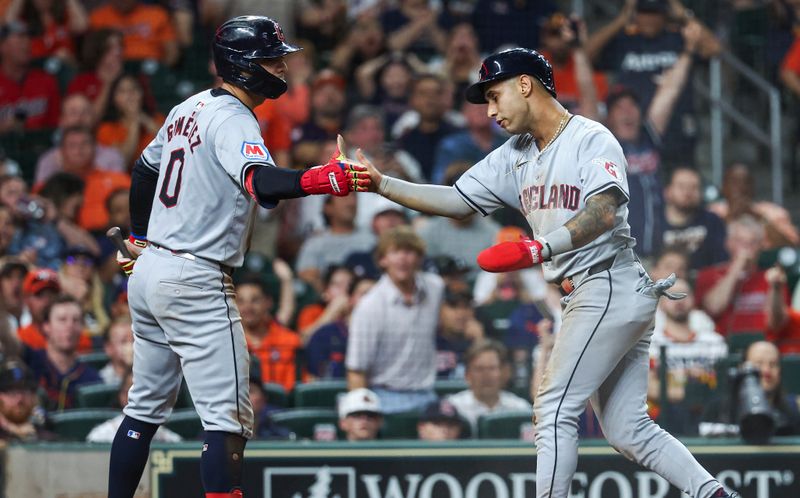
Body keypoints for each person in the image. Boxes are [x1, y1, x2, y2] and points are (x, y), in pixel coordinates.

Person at [354, 47, 739, 497]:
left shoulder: (589, 137)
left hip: (607, 280)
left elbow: (605, 209)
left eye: (495, 95)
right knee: (628, 429)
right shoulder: (514, 153)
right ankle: (715, 493)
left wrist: (542, 246)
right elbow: (457, 200)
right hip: (594, 292)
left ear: (524, 84)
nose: (490, 110)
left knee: (554, 407)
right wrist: (382, 184)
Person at [107, 16, 366, 498]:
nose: (281, 67)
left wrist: (143, 240)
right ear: (244, 66)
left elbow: (145, 172)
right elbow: (261, 183)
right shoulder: (233, 118)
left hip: (151, 274)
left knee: (142, 412)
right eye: (271, 58)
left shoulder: (188, 107)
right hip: (195, 274)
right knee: (226, 420)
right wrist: (321, 178)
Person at [346, 226, 442, 414]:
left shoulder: (435, 288)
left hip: (427, 393)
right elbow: (356, 370)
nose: (403, 258)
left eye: (409, 251)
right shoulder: (369, 306)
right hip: (384, 396)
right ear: (382, 260)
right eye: (395, 252)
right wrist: (364, 412)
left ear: (419, 258)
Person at [695, 215, 785, 337]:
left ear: (761, 245)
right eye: (740, 242)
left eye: (752, 242)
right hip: (721, 345)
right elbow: (713, 308)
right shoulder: (708, 274)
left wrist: (775, 288)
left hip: (762, 343)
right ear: (728, 243)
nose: (747, 247)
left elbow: (776, 322)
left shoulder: (771, 277)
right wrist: (737, 267)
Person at [700, 341, 800, 438]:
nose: (766, 371)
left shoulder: (793, 411)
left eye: (773, 364)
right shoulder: (719, 410)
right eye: (758, 364)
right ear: (742, 368)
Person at [26, 294, 102, 411]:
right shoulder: (29, 363)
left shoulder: (93, 379)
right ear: (46, 326)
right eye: (62, 320)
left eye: (76, 320)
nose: (69, 326)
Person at [447, 340, 531, 435]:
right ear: (467, 375)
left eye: (492, 368)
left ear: (505, 373)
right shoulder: (453, 408)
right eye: (479, 369)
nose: (486, 376)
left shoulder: (520, 408)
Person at [236, 275, 301, 391]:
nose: (248, 307)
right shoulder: (226, 344)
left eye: (255, 300)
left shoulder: (290, 341)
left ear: (268, 302)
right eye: (241, 301)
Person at [657, 167, 728, 271]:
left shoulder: (712, 221)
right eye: (681, 187)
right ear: (667, 192)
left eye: (694, 187)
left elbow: (721, 263)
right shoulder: (652, 224)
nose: (688, 192)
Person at [86, 370, 182, 442]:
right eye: (135, 390)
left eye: (146, 391)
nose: (142, 396)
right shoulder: (102, 434)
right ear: (122, 396)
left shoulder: (164, 437)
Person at [0, 360, 54, 442]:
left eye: (25, 391)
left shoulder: (45, 433)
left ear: (34, 397)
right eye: (11, 393)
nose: (19, 399)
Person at [99, 316, 133, 385]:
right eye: (123, 341)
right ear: (108, 348)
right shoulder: (101, 380)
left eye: (133, 340)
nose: (131, 346)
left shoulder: (148, 375)